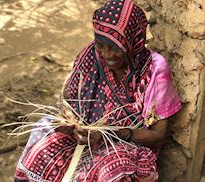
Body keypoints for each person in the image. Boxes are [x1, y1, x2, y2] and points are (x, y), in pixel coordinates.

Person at [14, 0, 181, 181]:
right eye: (101, 45)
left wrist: (110, 133)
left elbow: (157, 136)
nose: (107, 55)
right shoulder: (91, 55)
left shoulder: (154, 69)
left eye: (116, 48)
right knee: (44, 127)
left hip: (126, 145)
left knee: (111, 169)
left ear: (133, 41)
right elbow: (71, 101)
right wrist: (69, 119)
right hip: (85, 138)